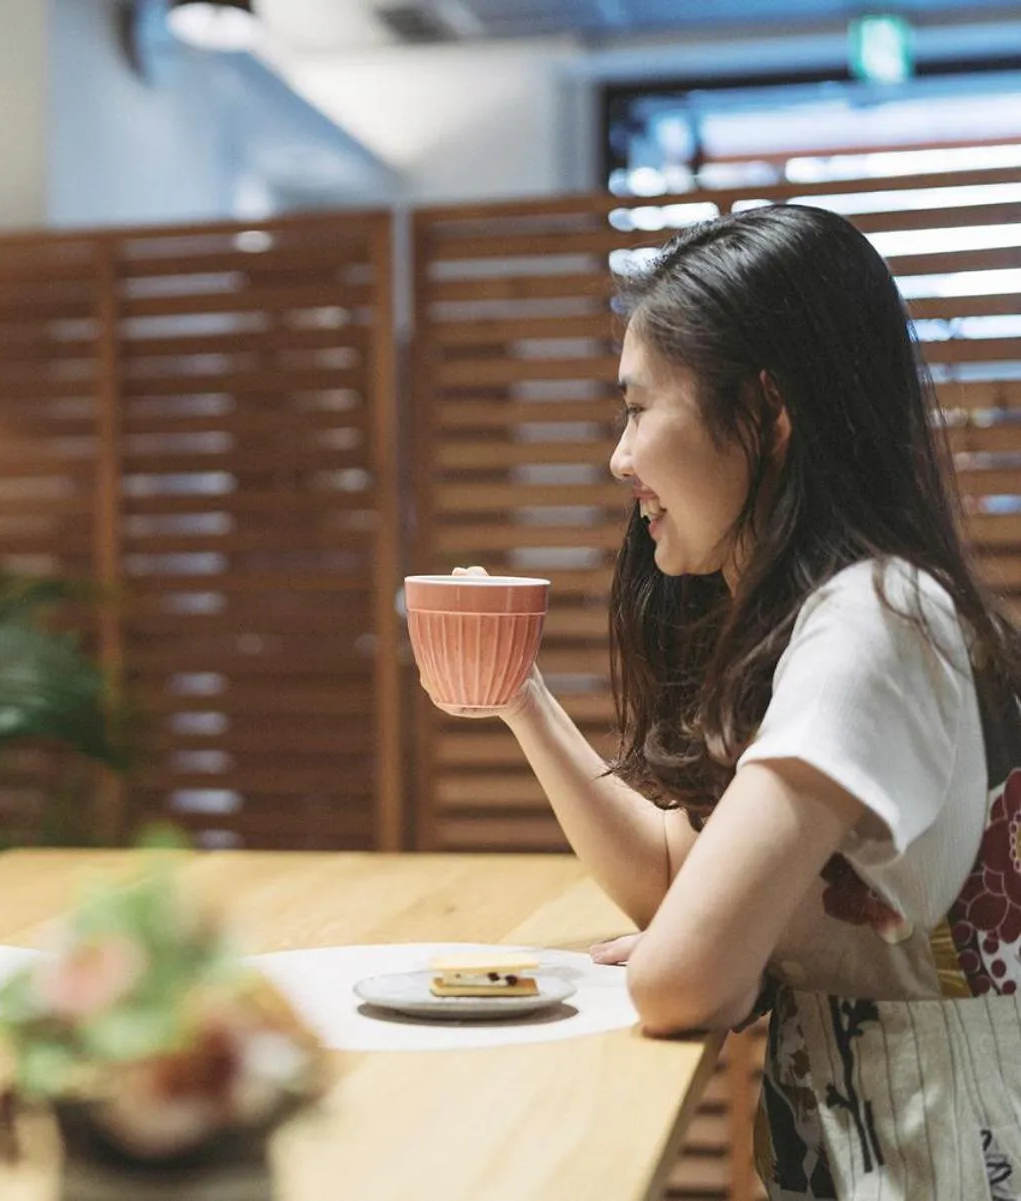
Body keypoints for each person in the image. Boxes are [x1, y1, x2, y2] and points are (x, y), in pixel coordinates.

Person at [426, 203, 1021, 1197]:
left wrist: (696, 950)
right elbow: (677, 875)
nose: (620, 459)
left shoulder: (872, 620)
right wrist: (518, 690)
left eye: (637, 408)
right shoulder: (843, 609)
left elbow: (685, 975)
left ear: (766, 413)